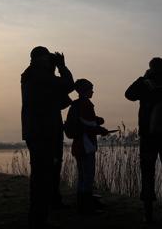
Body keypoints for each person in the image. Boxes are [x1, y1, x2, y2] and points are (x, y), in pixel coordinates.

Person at [125, 57, 162, 224]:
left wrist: (143, 78)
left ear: (150, 68)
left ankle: (148, 215)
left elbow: (128, 95)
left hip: (148, 138)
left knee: (147, 174)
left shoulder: (145, 84)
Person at [21, 46, 74, 228]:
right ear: (39, 59)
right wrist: (62, 66)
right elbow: (68, 85)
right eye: (47, 58)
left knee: (50, 169)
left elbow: (57, 99)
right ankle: (38, 219)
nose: (49, 61)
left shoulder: (34, 76)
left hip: (43, 130)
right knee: (42, 175)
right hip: (43, 132)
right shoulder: (38, 75)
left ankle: (51, 204)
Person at [70, 79, 108, 214]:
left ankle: (82, 204)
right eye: (91, 89)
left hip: (78, 145)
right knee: (88, 176)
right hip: (86, 146)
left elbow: (85, 122)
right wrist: (101, 130)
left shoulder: (75, 105)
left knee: (82, 176)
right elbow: (88, 127)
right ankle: (87, 207)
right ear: (85, 91)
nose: (92, 91)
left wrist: (97, 120)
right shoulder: (85, 104)